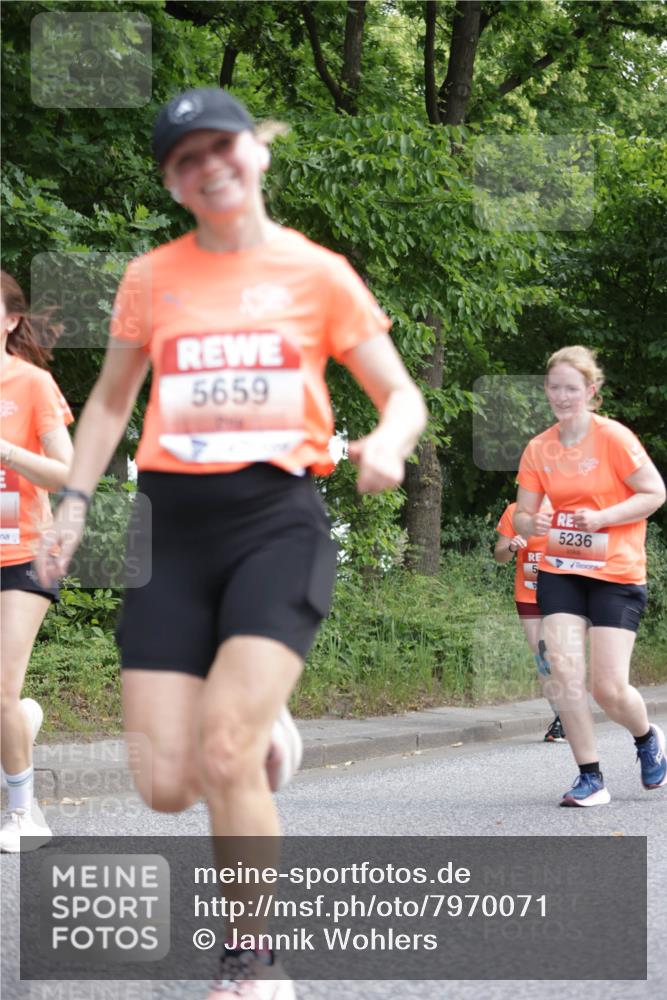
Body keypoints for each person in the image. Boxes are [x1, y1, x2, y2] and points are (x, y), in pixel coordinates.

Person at [36, 88, 427, 998]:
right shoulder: (151, 276)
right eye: (185, 158)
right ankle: (260, 730)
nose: (209, 165)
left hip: (274, 520)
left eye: (223, 146)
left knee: (222, 754)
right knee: (167, 785)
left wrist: (390, 445)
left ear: (257, 151)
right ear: (174, 183)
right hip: (170, 527)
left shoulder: (317, 272)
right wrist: (77, 502)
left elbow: (398, 393)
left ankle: (251, 960)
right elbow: (107, 402)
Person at [514, 345, 666, 807]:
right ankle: (590, 777)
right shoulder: (539, 448)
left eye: (571, 388)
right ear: (546, 391)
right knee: (563, 672)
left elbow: (654, 492)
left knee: (609, 688)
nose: (562, 396)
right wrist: (531, 522)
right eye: (554, 387)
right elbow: (522, 515)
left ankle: (645, 736)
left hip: (616, 571)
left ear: (590, 391)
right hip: (562, 568)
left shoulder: (614, 438)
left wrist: (603, 518)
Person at [0, 270, 74, 852]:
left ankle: (23, 814)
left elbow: (67, 471)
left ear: (10, 320)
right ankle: (21, 723)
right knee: (5, 703)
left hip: (24, 549)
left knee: (1, 687)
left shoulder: (32, 384)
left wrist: (4, 450)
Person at [494, 496, 566, 742]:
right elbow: (500, 555)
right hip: (528, 594)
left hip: (560, 591)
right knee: (541, 657)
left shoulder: (565, 507)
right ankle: (561, 717)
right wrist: (512, 547)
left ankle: (569, 712)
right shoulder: (515, 511)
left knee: (553, 651)